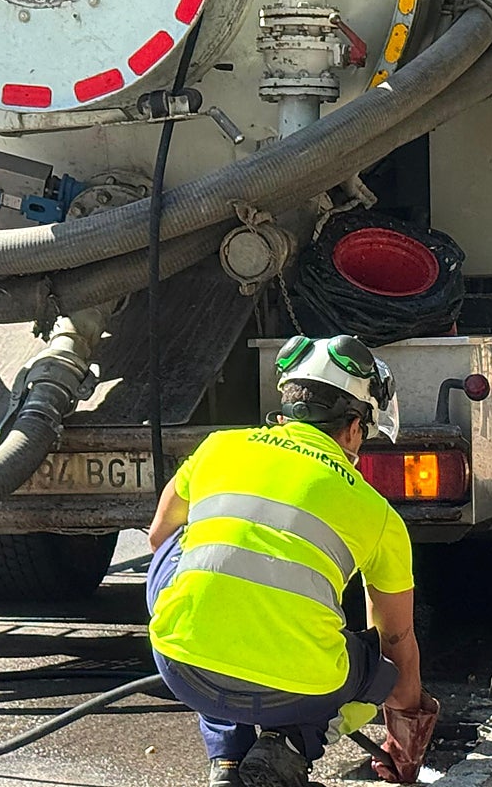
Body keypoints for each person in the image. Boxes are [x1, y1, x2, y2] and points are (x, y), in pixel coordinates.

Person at [145, 335, 438, 787]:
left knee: (184, 551)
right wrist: (405, 731)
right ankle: (293, 742)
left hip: (182, 668)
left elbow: (156, 538)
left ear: (285, 411)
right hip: (302, 690)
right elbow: (397, 640)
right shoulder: (378, 513)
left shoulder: (218, 448)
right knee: (376, 656)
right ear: (354, 428)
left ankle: (226, 759)